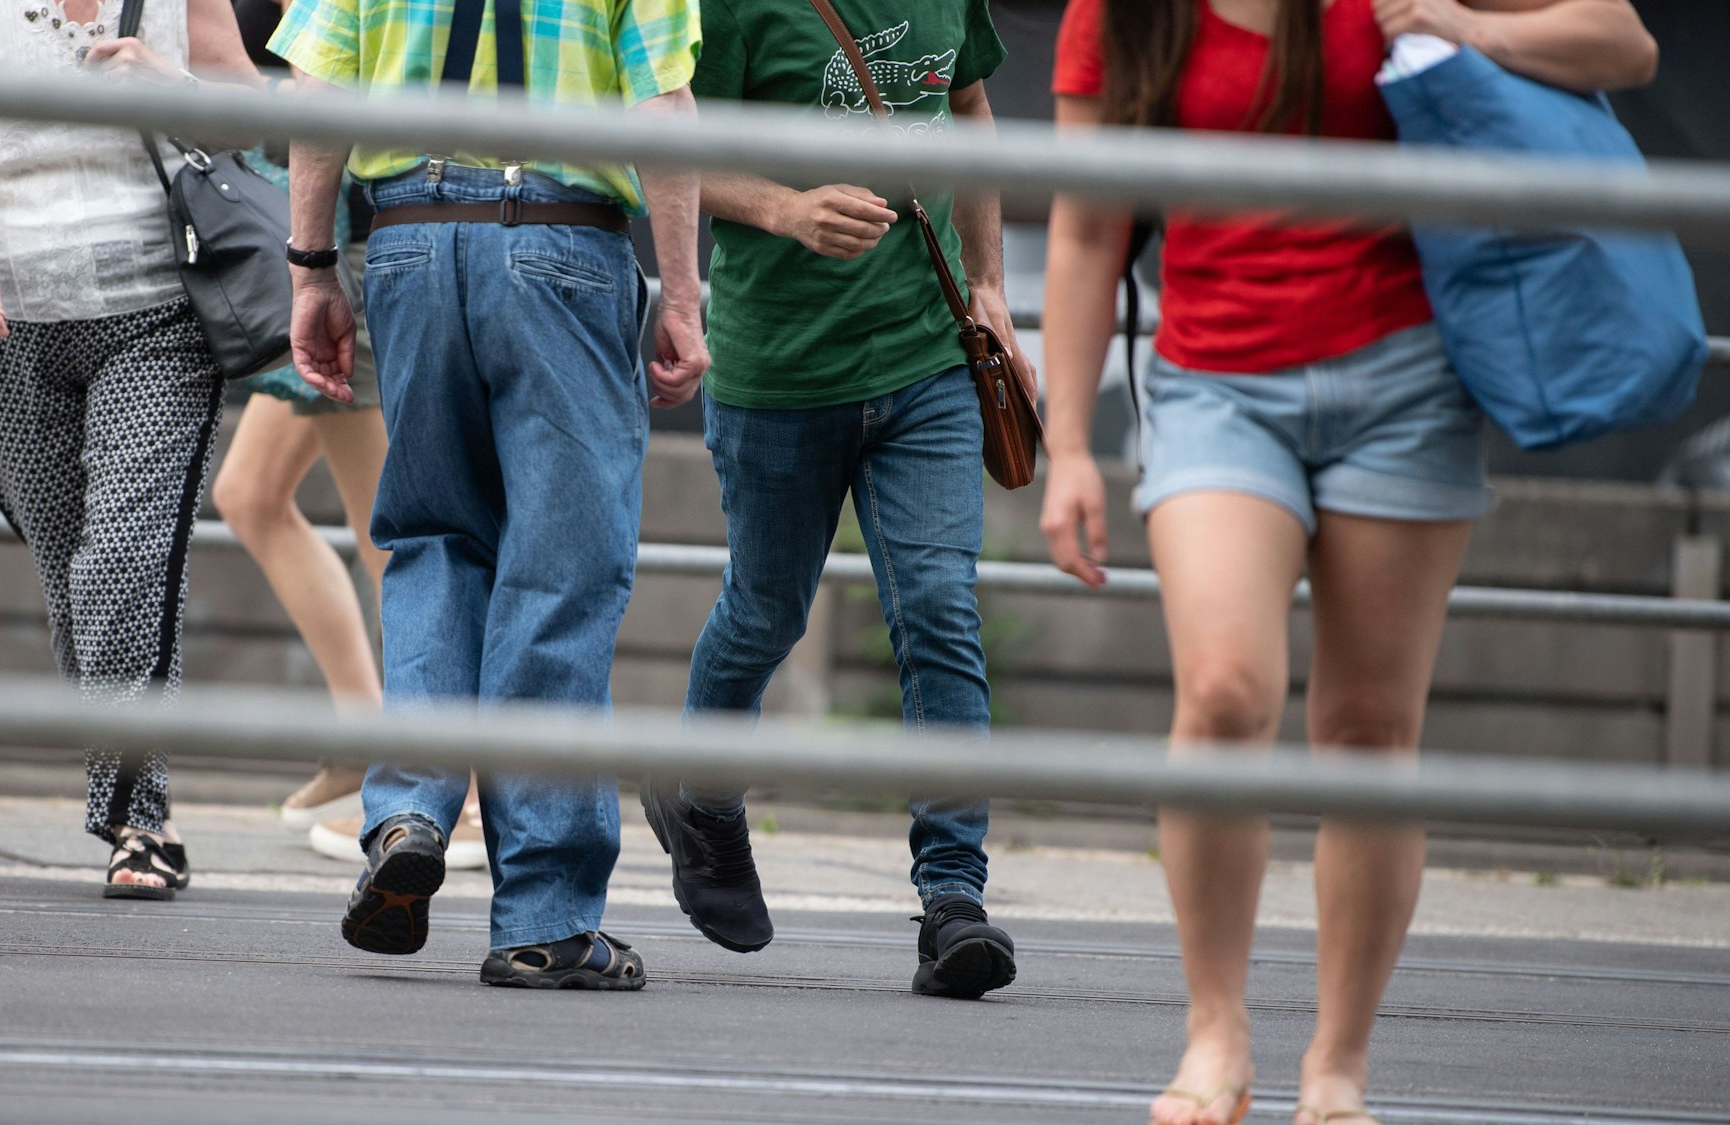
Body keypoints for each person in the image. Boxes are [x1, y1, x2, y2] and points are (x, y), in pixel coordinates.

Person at [1040, 1, 1657, 1122]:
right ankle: (1214, 1033)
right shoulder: (1121, 9)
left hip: (1406, 377)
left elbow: (1623, 43)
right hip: (1213, 383)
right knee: (1223, 691)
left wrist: (1467, 27)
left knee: (1369, 731)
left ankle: (1336, 1064)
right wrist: (1070, 445)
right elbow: (1087, 225)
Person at [272, 0, 709, 988]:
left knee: (431, 539)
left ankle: (412, 812)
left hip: (408, 242)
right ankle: (544, 919)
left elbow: (316, 86)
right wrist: (679, 294)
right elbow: (661, 101)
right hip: (559, 238)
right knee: (560, 568)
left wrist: (310, 269)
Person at [644, 0, 1023, 1000]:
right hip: (780, 373)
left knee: (940, 610)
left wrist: (988, 280)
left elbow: (969, 104)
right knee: (765, 609)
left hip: (929, 362)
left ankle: (952, 898)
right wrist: (783, 208)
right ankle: (701, 797)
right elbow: (672, 143)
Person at [0, 0, 262, 900]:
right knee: (72, 569)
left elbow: (261, 116)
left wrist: (168, 85)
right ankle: (144, 804)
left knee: (124, 564)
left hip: (159, 309)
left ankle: (134, 817)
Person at [218, 0, 486, 871]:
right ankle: (362, 731)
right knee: (252, 494)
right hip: (348, 249)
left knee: (402, 537)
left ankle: (458, 792)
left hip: (363, 256)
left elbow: (316, 76)